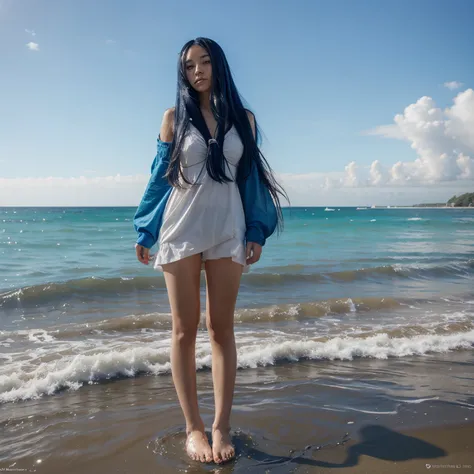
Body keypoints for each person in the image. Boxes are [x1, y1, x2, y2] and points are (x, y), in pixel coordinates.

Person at [133, 37, 288, 465]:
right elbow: (159, 179)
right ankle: (193, 429)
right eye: (188, 66)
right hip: (181, 228)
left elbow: (251, 181)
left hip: (228, 229)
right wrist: (146, 229)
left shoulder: (245, 119)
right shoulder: (173, 118)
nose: (197, 70)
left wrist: (256, 229)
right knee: (184, 331)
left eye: (204, 62)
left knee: (221, 328)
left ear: (218, 65)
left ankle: (220, 425)